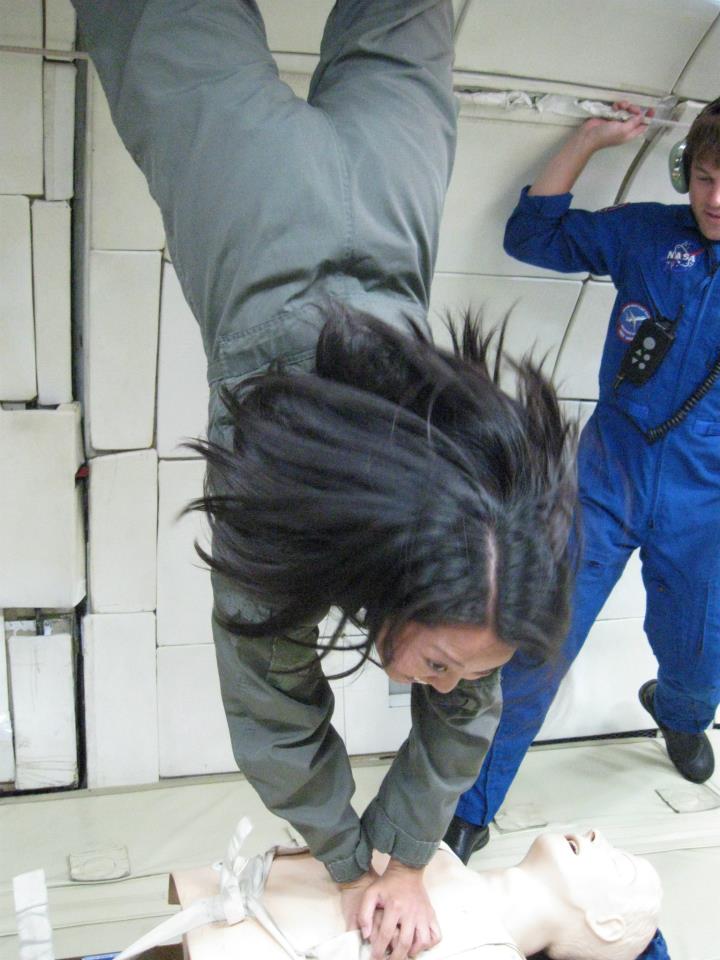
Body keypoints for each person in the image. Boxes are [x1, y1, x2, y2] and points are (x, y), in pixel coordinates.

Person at [71, 2, 577, 957]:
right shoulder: (283, 512)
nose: (449, 685)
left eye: (462, 668)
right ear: (401, 573)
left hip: (383, 190)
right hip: (251, 194)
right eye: (438, 664)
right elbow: (273, 706)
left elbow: (470, 687)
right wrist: (351, 863)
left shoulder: (480, 550)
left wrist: (404, 853)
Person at [445, 97, 720, 865]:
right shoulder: (646, 234)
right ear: (686, 173)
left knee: (701, 654)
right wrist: (591, 138)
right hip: (608, 476)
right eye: (704, 178)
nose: (716, 200)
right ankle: (473, 803)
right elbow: (531, 234)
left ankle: (679, 711)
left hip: (709, 501)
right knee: (540, 639)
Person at [124, 824, 663, 960]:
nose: (595, 836)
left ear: (607, 925)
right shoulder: (431, 848)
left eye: (621, 866)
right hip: (200, 927)